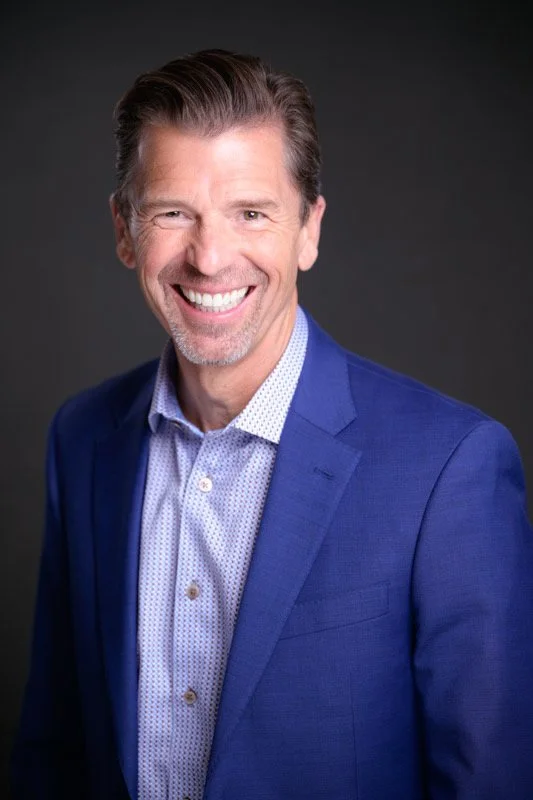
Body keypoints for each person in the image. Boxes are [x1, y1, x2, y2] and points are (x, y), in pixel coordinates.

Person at [12, 49, 533, 800]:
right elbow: (53, 750)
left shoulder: (448, 468)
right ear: (125, 230)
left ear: (308, 230)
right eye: (172, 213)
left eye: (250, 212)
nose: (209, 256)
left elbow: (492, 781)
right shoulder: (84, 439)